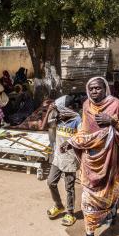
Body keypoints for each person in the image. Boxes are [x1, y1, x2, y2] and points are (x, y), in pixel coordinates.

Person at [63, 77, 119, 236]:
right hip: (90, 160)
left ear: (105, 89)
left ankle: (110, 210)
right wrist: (71, 141)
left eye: (98, 88)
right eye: (91, 89)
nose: (94, 92)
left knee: (111, 194)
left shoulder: (117, 105)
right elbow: (84, 131)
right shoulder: (86, 106)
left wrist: (113, 122)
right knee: (87, 200)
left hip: (111, 162)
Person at [46, 95, 81, 227]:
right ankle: (58, 205)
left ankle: (70, 213)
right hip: (58, 158)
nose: (59, 113)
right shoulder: (58, 118)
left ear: (69, 108)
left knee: (69, 187)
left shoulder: (77, 120)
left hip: (70, 159)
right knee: (50, 182)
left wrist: (72, 144)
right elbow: (45, 126)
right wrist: (49, 111)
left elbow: (82, 138)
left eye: (61, 110)